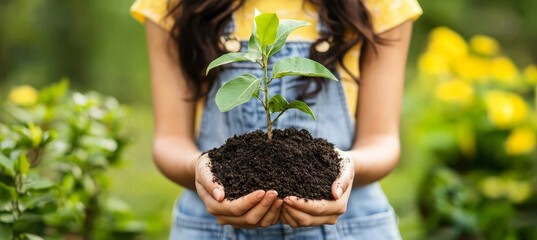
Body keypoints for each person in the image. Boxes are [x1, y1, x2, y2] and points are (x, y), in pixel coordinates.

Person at [131, 0, 422, 239]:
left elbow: (382, 141)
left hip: (350, 224)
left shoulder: (380, 5)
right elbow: (169, 141)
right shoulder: (175, 5)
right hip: (212, 224)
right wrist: (199, 168)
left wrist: (348, 166)